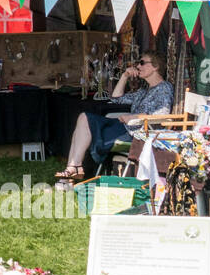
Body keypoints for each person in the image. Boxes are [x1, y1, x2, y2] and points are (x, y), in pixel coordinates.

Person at [56, 51, 174, 181]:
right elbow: (116, 98)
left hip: (136, 133)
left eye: (142, 63)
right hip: (125, 127)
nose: (138, 67)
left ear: (155, 66)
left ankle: (72, 171)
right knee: (83, 117)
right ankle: (74, 167)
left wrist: (134, 117)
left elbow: (163, 115)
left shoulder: (164, 88)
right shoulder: (144, 90)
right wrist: (124, 76)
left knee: (86, 121)